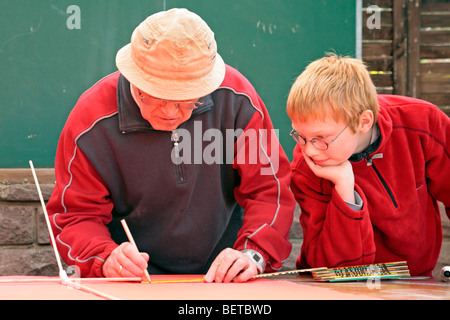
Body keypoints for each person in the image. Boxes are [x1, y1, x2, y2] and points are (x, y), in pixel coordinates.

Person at [46, 8, 295, 282]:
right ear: (133, 76)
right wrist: (104, 258)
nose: (170, 113)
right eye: (155, 95)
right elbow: (76, 215)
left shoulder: (239, 101)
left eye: (187, 98)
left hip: (224, 277)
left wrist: (254, 253)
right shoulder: (91, 120)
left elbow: (270, 190)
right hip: (131, 281)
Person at [286, 53, 450, 277]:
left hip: (415, 282)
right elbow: (333, 270)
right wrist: (345, 190)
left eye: (320, 138)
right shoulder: (308, 166)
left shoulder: (424, 123)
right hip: (334, 287)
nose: (309, 150)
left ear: (363, 122)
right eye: (300, 135)